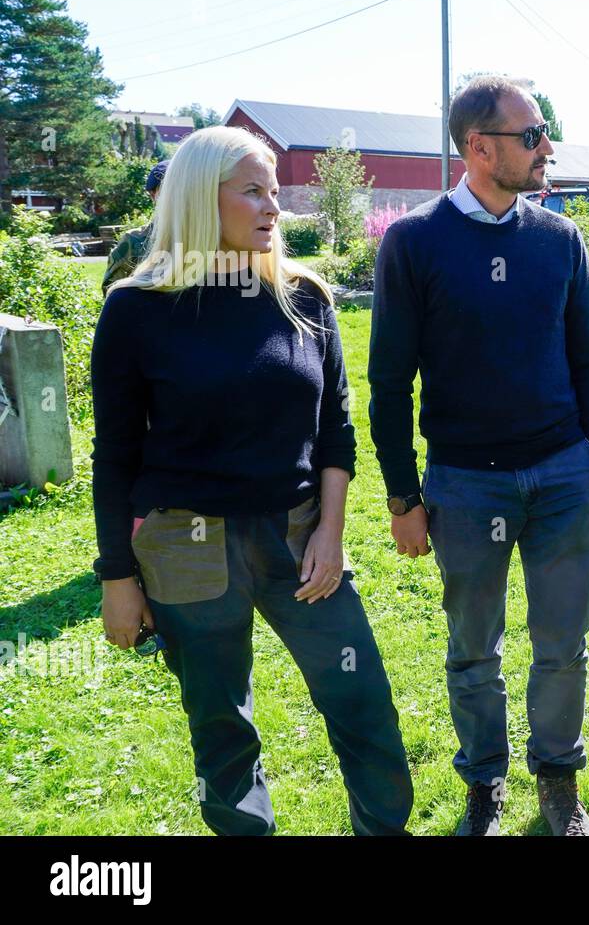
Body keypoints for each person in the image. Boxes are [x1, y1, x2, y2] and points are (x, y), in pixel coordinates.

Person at [92, 126, 413, 836]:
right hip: (186, 548)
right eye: (253, 191)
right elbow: (113, 456)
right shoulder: (136, 310)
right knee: (220, 726)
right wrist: (117, 576)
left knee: (361, 699)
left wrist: (331, 534)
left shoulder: (305, 300)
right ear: (200, 199)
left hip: (300, 539)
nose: (274, 207)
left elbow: (336, 432)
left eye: (276, 191)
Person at [368, 75, 589, 836]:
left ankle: (558, 781)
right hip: (467, 485)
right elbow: (386, 382)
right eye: (532, 134)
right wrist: (405, 498)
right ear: (479, 147)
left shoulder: (559, 238)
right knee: (474, 647)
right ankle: (483, 783)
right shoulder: (414, 242)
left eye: (544, 132)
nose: (547, 148)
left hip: (564, 476)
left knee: (562, 643)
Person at [101, 159, 168, 294]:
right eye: (169, 188)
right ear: (154, 195)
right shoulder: (134, 241)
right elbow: (112, 290)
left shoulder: (207, 236)